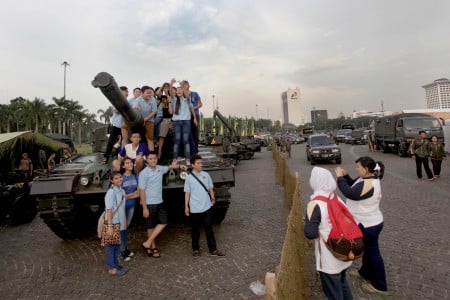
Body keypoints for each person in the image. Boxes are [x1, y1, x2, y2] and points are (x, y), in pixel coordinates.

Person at [335, 157, 388, 296]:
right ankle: (365, 272)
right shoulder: (365, 180)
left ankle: (380, 285)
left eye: (358, 167)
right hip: (367, 222)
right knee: (367, 249)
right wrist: (346, 176)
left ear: (366, 169)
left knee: (373, 253)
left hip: (369, 225)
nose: (356, 169)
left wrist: (340, 178)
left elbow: (350, 193)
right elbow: (353, 185)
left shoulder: (369, 183)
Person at [304, 167, 353, 300]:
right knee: (343, 283)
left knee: (333, 292)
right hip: (344, 251)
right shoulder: (336, 199)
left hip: (329, 256)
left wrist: (308, 221)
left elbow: (310, 233)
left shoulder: (314, 204)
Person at [139, 152, 185, 258]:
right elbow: (141, 191)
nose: (153, 160)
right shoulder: (144, 173)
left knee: (164, 222)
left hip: (159, 201)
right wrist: (144, 207)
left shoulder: (159, 168)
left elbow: (169, 167)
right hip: (149, 203)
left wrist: (179, 165)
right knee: (150, 226)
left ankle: (147, 243)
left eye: (154, 158)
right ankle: (152, 247)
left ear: (156, 159)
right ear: (147, 161)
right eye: (150, 159)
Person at [184, 154, 225, 257]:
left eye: (201, 163)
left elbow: (210, 188)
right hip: (194, 208)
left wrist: (213, 198)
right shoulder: (189, 178)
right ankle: (195, 249)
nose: (200, 165)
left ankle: (213, 249)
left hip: (206, 207)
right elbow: (187, 193)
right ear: (193, 165)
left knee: (209, 229)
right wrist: (186, 206)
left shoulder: (206, 175)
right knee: (195, 230)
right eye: (198, 163)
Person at [168, 79, 198, 165]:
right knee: (177, 140)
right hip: (177, 122)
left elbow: (187, 93)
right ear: (175, 92)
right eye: (177, 90)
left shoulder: (186, 99)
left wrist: (182, 85)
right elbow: (170, 92)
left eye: (180, 90)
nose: (179, 91)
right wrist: (171, 84)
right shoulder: (174, 100)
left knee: (186, 141)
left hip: (186, 122)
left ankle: (188, 159)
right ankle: (175, 159)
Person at [103, 171, 127, 276]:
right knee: (111, 245)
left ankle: (116, 264)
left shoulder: (121, 191)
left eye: (120, 177)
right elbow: (109, 210)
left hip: (119, 222)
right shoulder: (111, 193)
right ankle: (111, 268)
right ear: (112, 181)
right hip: (112, 222)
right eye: (116, 178)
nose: (119, 180)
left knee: (117, 245)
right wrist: (109, 226)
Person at [120, 157, 139, 262]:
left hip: (131, 205)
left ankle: (125, 248)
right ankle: (122, 250)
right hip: (122, 207)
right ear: (123, 166)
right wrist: (132, 195)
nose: (129, 165)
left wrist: (128, 196)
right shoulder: (121, 178)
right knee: (122, 228)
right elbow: (120, 196)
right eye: (127, 163)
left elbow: (138, 194)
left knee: (126, 227)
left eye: (131, 163)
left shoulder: (135, 177)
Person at [103, 86, 127, 164]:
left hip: (125, 125)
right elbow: (116, 110)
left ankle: (123, 157)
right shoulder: (115, 101)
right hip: (116, 124)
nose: (126, 93)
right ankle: (106, 157)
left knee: (126, 141)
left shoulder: (129, 102)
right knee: (111, 141)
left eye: (127, 91)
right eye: (125, 91)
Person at [181, 80, 202, 155]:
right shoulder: (182, 95)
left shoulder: (195, 93)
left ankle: (195, 150)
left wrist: (193, 108)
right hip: (186, 116)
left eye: (185, 84)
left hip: (195, 115)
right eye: (182, 84)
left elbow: (200, 104)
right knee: (187, 133)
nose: (184, 85)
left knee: (195, 132)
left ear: (188, 85)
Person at [136, 86, 158, 152]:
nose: (149, 94)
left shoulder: (153, 99)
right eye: (147, 93)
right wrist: (142, 120)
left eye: (150, 93)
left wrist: (145, 120)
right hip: (139, 120)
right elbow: (136, 111)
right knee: (138, 137)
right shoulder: (138, 100)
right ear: (142, 94)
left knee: (150, 137)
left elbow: (154, 111)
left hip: (150, 119)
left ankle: (151, 153)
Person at [155, 82, 173, 159]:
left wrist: (170, 84)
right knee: (161, 136)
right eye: (165, 88)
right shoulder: (163, 97)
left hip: (173, 119)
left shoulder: (172, 96)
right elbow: (157, 93)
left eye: (167, 87)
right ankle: (159, 153)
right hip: (165, 118)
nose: (166, 89)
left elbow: (172, 112)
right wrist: (163, 87)